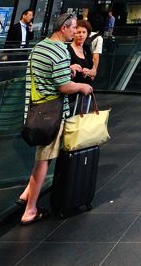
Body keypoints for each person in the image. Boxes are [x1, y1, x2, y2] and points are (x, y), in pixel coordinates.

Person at [19, 13, 94, 224]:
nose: (75, 32)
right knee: (43, 159)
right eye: (72, 28)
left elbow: (47, 74)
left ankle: (27, 193)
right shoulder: (61, 50)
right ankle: (30, 209)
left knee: (45, 155)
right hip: (51, 113)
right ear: (63, 28)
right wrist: (82, 86)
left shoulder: (41, 46)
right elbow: (63, 87)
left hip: (35, 107)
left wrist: (67, 69)